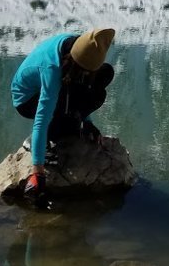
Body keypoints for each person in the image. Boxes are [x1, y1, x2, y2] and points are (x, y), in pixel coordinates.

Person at [11, 28, 116, 204]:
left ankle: (69, 120)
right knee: (59, 125)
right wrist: (37, 172)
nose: (85, 76)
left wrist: (86, 120)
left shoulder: (79, 45)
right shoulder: (52, 70)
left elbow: (83, 85)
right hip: (27, 100)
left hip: (61, 81)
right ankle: (38, 143)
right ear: (74, 63)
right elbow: (41, 121)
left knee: (104, 75)